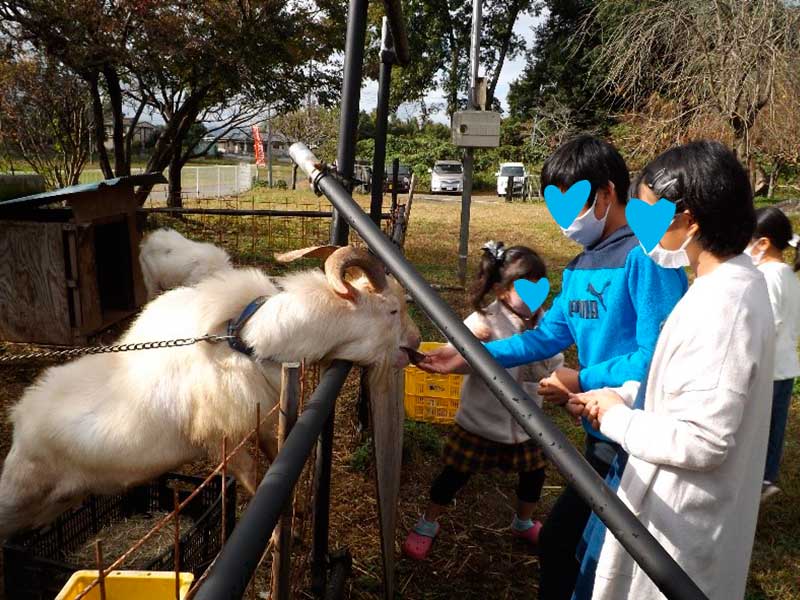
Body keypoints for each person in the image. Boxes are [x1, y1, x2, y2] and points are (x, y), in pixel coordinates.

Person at [418, 135, 688, 599]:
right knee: (569, 545)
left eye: (573, 206)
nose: (565, 222)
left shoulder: (647, 259)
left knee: (581, 551)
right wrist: (466, 356)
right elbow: (544, 337)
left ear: (605, 193)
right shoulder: (583, 266)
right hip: (603, 435)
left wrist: (580, 378)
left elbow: (659, 357)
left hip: (643, 437)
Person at [571, 140, 774, 600]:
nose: (642, 232)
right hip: (670, 510)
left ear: (688, 219)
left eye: (649, 215)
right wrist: (623, 394)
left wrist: (617, 419)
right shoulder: (722, 286)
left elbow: (703, 440)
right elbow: (685, 387)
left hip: (680, 523)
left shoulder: (725, 306)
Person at [403, 242, 564, 560]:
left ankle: (523, 521)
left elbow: (553, 363)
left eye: (540, 286)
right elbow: (455, 355)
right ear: (501, 290)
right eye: (525, 287)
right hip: (480, 423)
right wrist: (457, 351)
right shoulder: (483, 322)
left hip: (527, 424)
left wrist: (558, 378)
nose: (536, 295)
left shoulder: (546, 322)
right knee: (454, 474)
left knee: (534, 475)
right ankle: (428, 523)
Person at [744, 206, 800, 501]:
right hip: (786, 366)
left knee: (757, 428)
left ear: (763, 243)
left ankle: (756, 482)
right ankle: (767, 478)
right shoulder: (790, 275)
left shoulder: (766, 276)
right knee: (774, 427)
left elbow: (769, 322)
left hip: (768, 368)